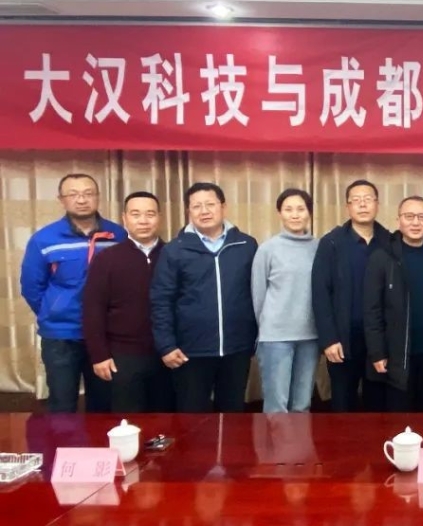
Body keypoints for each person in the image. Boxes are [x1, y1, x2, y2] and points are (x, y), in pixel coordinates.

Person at [20, 173, 126, 413]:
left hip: (106, 334)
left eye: (88, 193)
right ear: (61, 200)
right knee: (62, 404)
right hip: (61, 336)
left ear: (98, 197)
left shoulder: (118, 235)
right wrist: (55, 310)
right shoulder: (44, 239)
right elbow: (31, 287)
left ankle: (100, 440)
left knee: (104, 404)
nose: (82, 200)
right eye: (73, 194)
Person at [150, 182, 258, 413]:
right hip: (190, 351)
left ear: (223, 207)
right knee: (192, 417)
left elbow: (257, 295)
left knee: (233, 414)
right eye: (196, 206)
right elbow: (161, 301)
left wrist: (255, 337)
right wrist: (166, 345)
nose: (204, 211)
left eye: (210, 204)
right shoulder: (174, 250)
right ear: (188, 211)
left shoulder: (246, 245)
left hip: (237, 348)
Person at [82, 191, 174, 413]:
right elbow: (93, 309)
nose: (143, 221)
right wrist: (99, 354)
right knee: (128, 420)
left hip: (168, 354)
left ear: (159, 217)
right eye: (136, 214)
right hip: (122, 356)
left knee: (166, 420)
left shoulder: (174, 255)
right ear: (124, 218)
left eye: (150, 214)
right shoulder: (107, 259)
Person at [364, 196, 423, 412]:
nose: (415, 222)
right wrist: (377, 352)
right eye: (409, 216)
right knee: (399, 418)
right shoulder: (383, 256)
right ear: (398, 220)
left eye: (422, 217)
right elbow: (371, 309)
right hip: (397, 354)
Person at [311, 180, 390, 412]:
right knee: (343, 404)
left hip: (379, 338)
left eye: (368, 199)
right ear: (348, 207)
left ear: (377, 204)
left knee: (378, 403)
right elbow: (320, 293)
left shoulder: (389, 241)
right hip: (343, 339)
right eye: (356, 200)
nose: (362, 205)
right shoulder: (331, 242)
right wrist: (328, 339)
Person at [252, 189, 320, 413]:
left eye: (301, 209)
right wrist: (268, 326)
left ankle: (298, 440)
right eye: (288, 209)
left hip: (310, 337)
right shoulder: (268, 249)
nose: (295, 214)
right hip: (276, 338)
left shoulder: (319, 248)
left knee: (302, 405)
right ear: (279, 213)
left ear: (309, 212)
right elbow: (258, 295)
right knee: (277, 407)